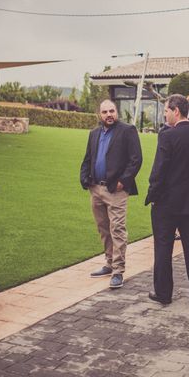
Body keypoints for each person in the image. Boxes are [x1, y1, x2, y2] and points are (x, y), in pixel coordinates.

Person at [145, 94, 189, 305]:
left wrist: (152, 195)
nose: (164, 114)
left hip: (167, 203)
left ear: (176, 111)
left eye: (166, 110)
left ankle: (164, 293)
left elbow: (159, 170)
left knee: (163, 248)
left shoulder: (167, 137)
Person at [80, 100, 143, 289]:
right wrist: (85, 179)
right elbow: (88, 159)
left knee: (117, 229)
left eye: (112, 111)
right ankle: (109, 262)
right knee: (103, 228)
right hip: (96, 189)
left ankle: (118, 270)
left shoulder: (127, 130)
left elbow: (136, 159)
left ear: (117, 112)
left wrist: (122, 181)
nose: (109, 114)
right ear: (99, 114)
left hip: (116, 190)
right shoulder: (94, 134)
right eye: (105, 111)